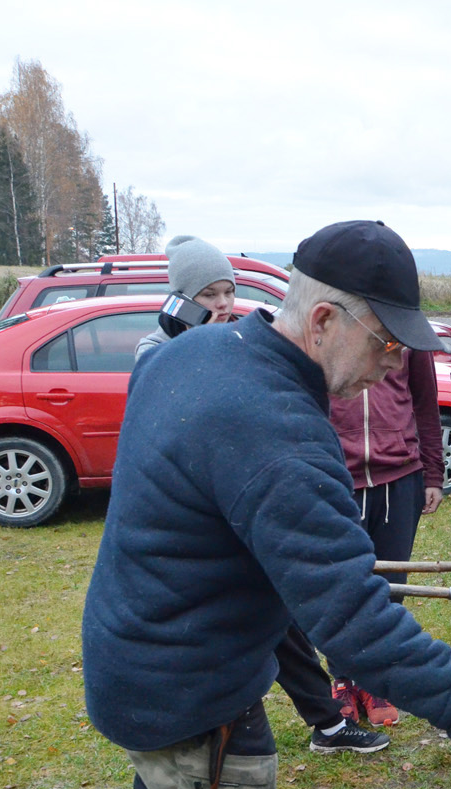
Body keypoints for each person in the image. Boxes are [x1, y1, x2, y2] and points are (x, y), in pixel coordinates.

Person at [85, 220, 451, 789]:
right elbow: (354, 625)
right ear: (322, 320)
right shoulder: (280, 429)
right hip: (196, 692)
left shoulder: (194, 352)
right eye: (384, 343)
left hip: (126, 657)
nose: (393, 364)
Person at [134, 235, 387, 757]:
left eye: (228, 293)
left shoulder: (246, 345)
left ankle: (326, 719)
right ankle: (327, 719)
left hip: (248, 515)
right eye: (209, 296)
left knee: (284, 619)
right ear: (180, 300)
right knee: (277, 623)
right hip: (212, 530)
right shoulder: (156, 353)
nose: (224, 306)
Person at [325, 298, 447, 726]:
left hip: (400, 476)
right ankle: (342, 679)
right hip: (340, 479)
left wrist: (433, 473)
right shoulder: (333, 324)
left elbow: (425, 404)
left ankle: (375, 679)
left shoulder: (407, 329)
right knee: (341, 587)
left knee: (390, 589)